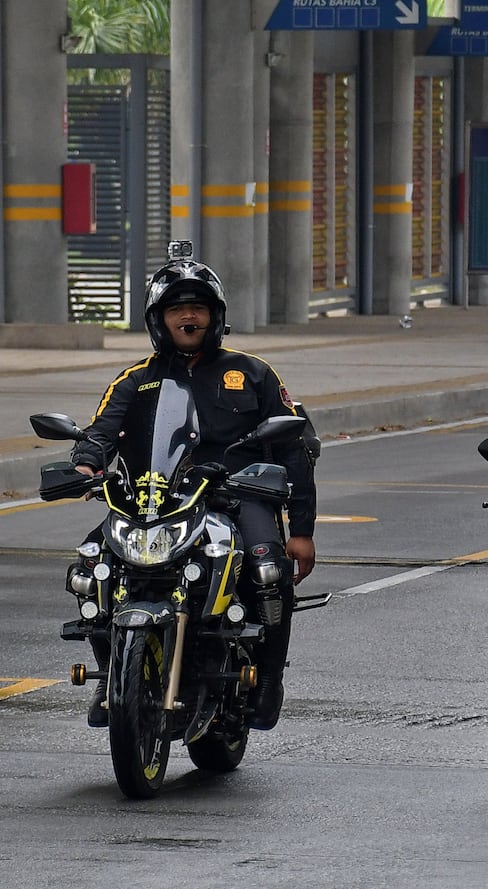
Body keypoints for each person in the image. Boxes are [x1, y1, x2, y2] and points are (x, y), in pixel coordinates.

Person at [68, 245, 317, 731]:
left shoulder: (252, 372)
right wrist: (85, 464)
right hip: (154, 497)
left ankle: (267, 677)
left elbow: (295, 446)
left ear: (214, 315)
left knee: (268, 566)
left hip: (237, 493)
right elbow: (100, 433)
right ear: (158, 319)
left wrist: (302, 529)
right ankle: (110, 668)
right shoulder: (136, 379)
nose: (188, 316)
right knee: (92, 561)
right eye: (177, 308)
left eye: (197, 307)